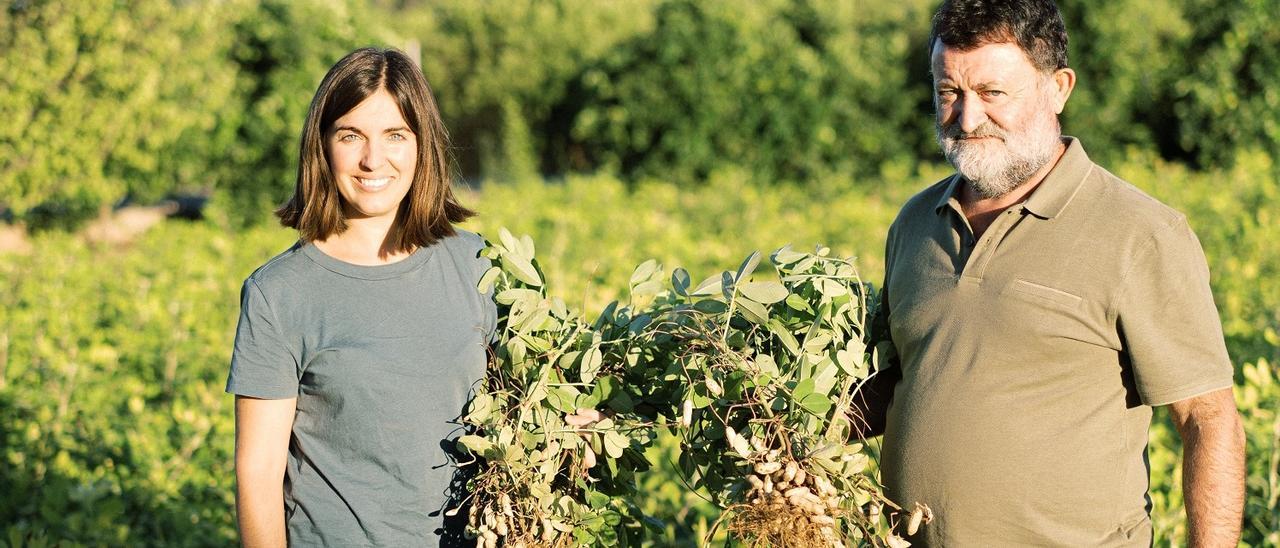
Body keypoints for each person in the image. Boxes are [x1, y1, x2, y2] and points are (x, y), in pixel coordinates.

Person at [856, 1, 1246, 545]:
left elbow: (1207, 418)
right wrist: (780, 425)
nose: (966, 119)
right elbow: (904, 377)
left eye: (993, 93)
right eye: (949, 92)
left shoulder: (1140, 233)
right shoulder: (915, 223)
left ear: (1058, 87)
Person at [227, 47, 496, 547]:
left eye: (395, 135)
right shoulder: (279, 294)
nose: (374, 159)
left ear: (422, 146)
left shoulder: (477, 265)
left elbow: (522, 401)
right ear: (323, 146)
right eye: (351, 135)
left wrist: (576, 431)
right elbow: (257, 476)